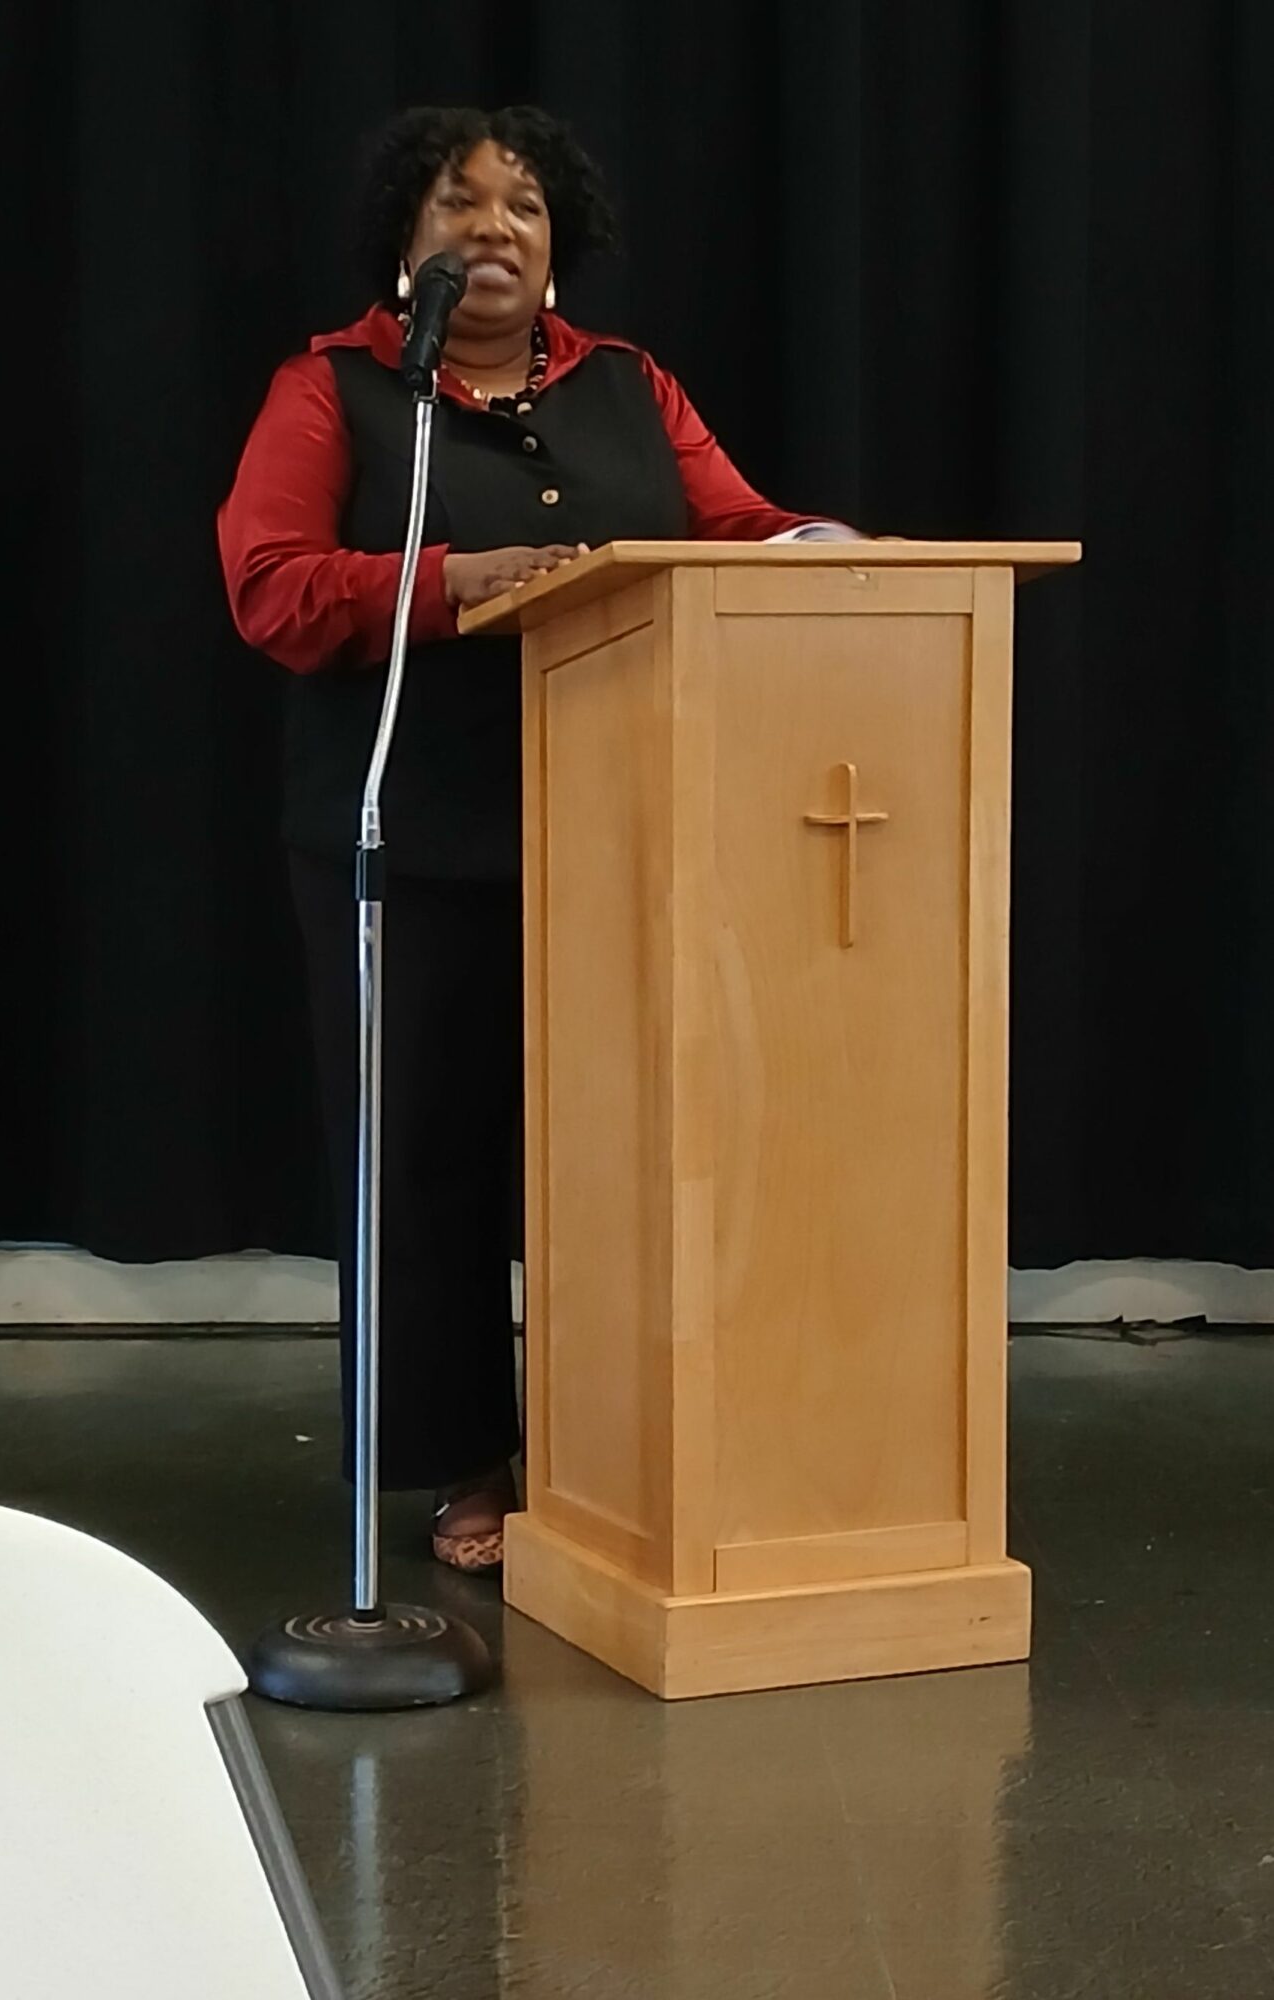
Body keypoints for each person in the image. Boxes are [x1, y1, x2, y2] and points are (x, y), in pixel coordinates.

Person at [218, 105, 849, 1573]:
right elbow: (272, 585)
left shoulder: (630, 384)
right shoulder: (338, 389)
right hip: (414, 840)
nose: (493, 227)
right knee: (428, 1166)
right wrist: (456, 580)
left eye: (523, 207)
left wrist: (828, 550)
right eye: (459, 203)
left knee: (622, 1152)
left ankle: (615, 1453)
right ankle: (466, 1464)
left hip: (624, 834)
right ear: (408, 243)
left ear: (560, 247)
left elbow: (736, 524)